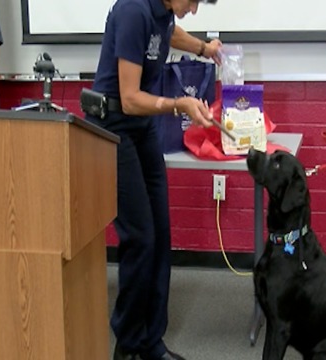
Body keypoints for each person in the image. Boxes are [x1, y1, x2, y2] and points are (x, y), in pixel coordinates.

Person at [83, 1, 222, 359]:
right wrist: (179, 104)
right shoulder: (133, 10)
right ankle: (127, 346)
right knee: (140, 237)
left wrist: (204, 49)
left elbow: (166, 33)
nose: (192, 10)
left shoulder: (162, 11)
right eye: (192, 1)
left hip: (141, 128)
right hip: (113, 125)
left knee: (160, 233)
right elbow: (129, 100)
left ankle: (150, 342)